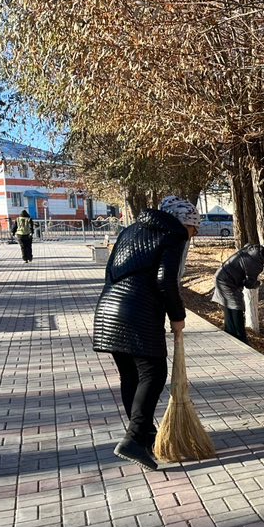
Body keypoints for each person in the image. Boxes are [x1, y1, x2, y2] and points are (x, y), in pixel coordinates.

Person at [92, 196, 201, 471]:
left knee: (131, 375)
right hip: (136, 313)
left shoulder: (131, 230)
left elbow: (110, 270)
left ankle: (144, 435)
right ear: (182, 222)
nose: (194, 233)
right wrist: (178, 317)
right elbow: (166, 281)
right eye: (193, 226)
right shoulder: (173, 234)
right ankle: (134, 439)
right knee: (153, 373)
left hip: (108, 309)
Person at [212, 244, 264, 343]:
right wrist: (261, 282)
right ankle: (240, 338)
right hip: (227, 281)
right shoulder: (256, 263)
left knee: (229, 307)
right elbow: (249, 284)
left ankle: (231, 333)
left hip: (222, 275)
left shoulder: (253, 249)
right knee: (236, 307)